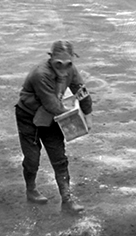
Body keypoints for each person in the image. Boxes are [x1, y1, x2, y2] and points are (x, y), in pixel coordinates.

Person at [15, 40, 93, 212]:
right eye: (59, 64)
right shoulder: (40, 74)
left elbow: (81, 91)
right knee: (32, 158)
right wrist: (73, 117)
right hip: (29, 116)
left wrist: (88, 115)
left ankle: (67, 200)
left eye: (68, 65)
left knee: (59, 159)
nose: (63, 70)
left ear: (72, 60)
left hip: (51, 117)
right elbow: (53, 106)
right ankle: (31, 189)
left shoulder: (71, 70)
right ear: (51, 58)